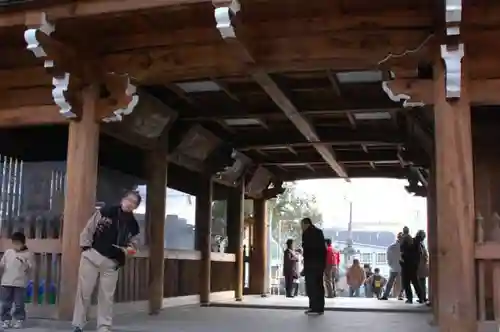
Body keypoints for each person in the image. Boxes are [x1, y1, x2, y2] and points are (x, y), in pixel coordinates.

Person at [72, 190, 141, 332]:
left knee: (106, 296)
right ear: (123, 199)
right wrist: (85, 248)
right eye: (128, 200)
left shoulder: (133, 226)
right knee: (84, 292)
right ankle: (78, 323)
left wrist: (127, 251)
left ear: (136, 207)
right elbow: (89, 229)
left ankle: (104, 326)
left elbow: (133, 245)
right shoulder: (105, 212)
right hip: (92, 256)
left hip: (112, 262)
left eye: (134, 203)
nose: (130, 204)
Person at [0, 232, 33, 329]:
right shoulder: (8, 252)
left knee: (19, 303)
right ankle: (5, 320)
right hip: (7, 282)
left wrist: (24, 262)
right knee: (6, 302)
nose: (16, 246)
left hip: (20, 283)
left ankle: (19, 319)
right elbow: (2, 264)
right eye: (14, 243)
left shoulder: (28, 254)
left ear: (23, 243)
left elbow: (30, 267)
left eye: (18, 243)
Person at [301, 217, 327, 315]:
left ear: (306, 224)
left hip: (311, 265)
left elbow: (307, 252)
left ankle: (313, 307)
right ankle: (320, 307)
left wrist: (305, 266)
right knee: (319, 286)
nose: (301, 228)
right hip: (319, 265)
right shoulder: (319, 232)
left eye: (302, 225)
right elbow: (323, 250)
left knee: (311, 286)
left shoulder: (306, 234)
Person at [400, 226, 425, 304]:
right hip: (414, 265)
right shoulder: (419, 244)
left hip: (407, 264)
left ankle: (410, 298)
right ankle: (421, 297)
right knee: (415, 281)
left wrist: (402, 259)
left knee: (406, 282)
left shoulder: (410, 240)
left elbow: (405, 252)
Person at [380, 232, 403, 300]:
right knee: (402, 283)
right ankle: (400, 295)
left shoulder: (391, 247)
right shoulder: (405, 247)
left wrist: (391, 265)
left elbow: (388, 258)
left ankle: (385, 295)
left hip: (393, 267)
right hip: (402, 267)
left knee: (390, 282)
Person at [415, 230, 429, 302]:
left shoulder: (419, 244)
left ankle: (422, 297)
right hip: (421, 265)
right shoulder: (420, 244)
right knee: (422, 282)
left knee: (420, 282)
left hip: (420, 265)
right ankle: (423, 297)